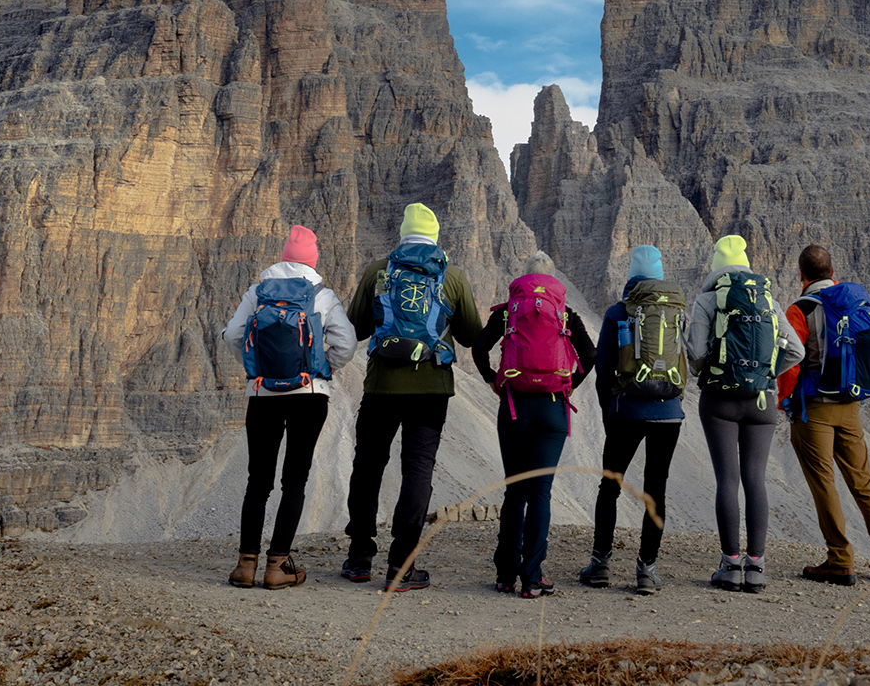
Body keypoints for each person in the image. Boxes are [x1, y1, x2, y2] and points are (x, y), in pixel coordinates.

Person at [341, 203, 485, 592]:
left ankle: (359, 557)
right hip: (431, 390)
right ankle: (402, 565)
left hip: (380, 387)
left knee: (368, 465)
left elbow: (354, 329)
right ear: (435, 237)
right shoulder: (452, 276)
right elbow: (473, 337)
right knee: (417, 469)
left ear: (402, 235)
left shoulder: (377, 271)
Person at [220, 225, 358, 589]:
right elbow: (346, 343)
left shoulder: (257, 293)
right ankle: (277, 565)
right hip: (309, 396)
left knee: (257, 480)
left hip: (263, 395)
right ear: (312, 262)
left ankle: (245, 564)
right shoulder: (322, 296)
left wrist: (256, 370)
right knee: (294, 480)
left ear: (283, 257)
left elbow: (234, 335)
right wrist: (322, 369)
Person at [780, 245, 870, 585]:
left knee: (824, 484)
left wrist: (784, 401)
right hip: (850, 407)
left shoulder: (800, 309)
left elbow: (792, 362)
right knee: (863, 482)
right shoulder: (851, 302)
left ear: (802, 275)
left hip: (815, 410)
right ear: (832, 270)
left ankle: (840, 560)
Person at [686, 234, 804, 594]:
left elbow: (696, 355)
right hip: (763, 401)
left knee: (728, 480)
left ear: (716, 266)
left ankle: (730, 564)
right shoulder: (768, 300)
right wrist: (767, 374)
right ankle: (757, 567)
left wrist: (708, 372)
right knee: (756, 479)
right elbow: (796, 350)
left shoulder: (708, 300)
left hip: (719, 401)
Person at [472, 252, 595, 598]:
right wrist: (568, 385)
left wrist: (493, 381)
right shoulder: (565, 313)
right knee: (541, 491)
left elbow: (479, 348)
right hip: (553, 409)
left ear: (523, 280)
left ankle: (506, 575)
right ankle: (533, 577)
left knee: (515, 489)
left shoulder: (509, 311)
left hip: (514, 407)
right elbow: (590, 356)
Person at [579, 245, 687, 595]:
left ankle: (600, 564)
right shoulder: (676, 311)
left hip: (625, 410)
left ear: (631, 276)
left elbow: (602, 368)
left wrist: (610, 414)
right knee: (656, 489)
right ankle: (647, 570)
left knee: (610, 485)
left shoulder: (618, 311)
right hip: (669, 412)